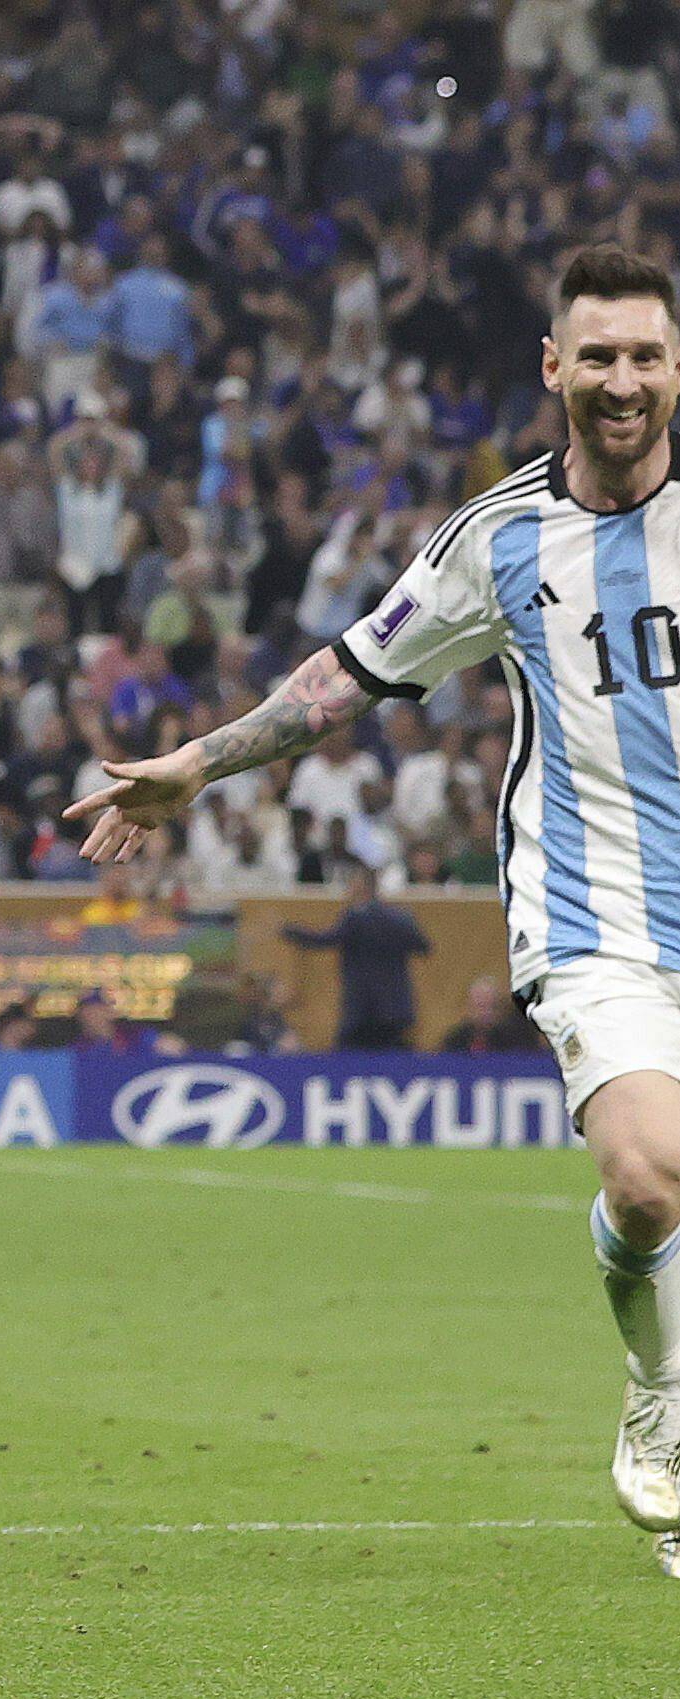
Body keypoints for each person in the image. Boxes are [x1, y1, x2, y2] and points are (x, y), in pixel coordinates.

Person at [71, 244, 680, 1576]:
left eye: (643, 355)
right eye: (597, 356)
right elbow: (343, 676)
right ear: (552, 369)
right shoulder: (499, 539)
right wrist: (197, 762)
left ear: (675, 366)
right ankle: (660, 1388)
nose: (621, 381)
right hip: (599, 912)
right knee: (646, 1174)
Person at [282, 861, 434, 1050]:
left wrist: (294, 932)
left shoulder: (356, 916)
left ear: (360, 886)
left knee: (349, 1062)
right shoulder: (401, 917)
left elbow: (327, 939)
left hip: (363, 1009)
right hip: (395, 1009)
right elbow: (424, 947)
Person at [443, 975, 545, 1055]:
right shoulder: (456, 1040)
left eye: (489, 1006)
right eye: (479, 1006)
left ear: (499, 1009)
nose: (483, 1013)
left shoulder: (515, 1040)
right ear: (468, 1007)